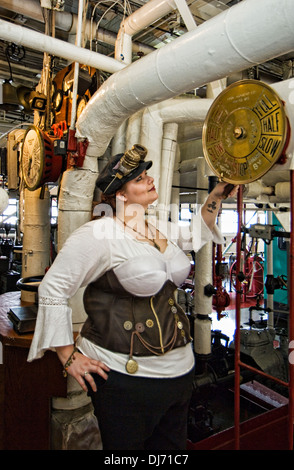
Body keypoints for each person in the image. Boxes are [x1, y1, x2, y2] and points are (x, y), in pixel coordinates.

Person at [28, 144, 237, 450]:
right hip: (126, 379)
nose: (149, 179)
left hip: (179, 374)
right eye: (139, 179)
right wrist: (67, 355)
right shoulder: (99, 235)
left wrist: (216, 196)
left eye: (147, 174)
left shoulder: (157, 227)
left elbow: (196, 233)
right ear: (121, 195)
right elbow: (53, 288)